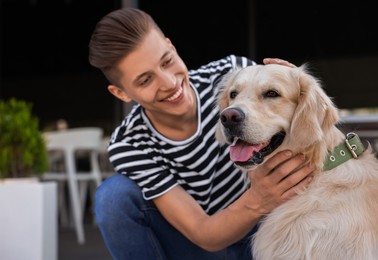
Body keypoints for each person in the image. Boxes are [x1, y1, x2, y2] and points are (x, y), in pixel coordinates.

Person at [88, 7, 313, 260]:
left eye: (167, 61)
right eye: (145, 81)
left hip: (274, 233)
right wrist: (258, 199)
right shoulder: (129, 145)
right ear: (121, 93)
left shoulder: (232, 75)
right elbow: (204, 233)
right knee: (113, 197)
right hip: (204, 247)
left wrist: (294, 89)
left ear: (171, 47)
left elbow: (302, 131)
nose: (169, 83)